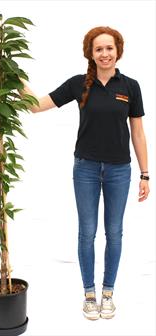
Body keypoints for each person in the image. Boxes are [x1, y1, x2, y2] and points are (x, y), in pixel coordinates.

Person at [20, 26, 150, 320]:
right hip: (86, 169)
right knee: (87, 232)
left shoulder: (130, 87)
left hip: (119, 170)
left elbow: (138, 134)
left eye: (109, 48)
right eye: (99, 49)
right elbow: (37, 106)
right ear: (90, 54)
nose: (105, 54)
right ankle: (89, 294)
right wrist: (17, 79)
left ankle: (108, 294)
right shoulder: (79, 84)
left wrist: (145, 174)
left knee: (114, 233)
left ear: (118, 51)